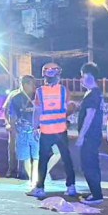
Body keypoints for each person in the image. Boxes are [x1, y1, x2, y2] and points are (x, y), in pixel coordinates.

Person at [29, 62, 77, 199]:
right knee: (66, 159)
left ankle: (40, 188)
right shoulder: (63, 90)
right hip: (60, 130)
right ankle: (71, 186)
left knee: (43, 160)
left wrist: (34, 127)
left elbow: (37, 111)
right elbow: (69, 108)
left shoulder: (39, 92)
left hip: (46, 130)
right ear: (58, 75)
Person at [77, 62, 104, 204]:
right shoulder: (94, 93)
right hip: (93, 136)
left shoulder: (93, 94)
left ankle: (97, 195)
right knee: (92, 164)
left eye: (82, 76)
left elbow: (90, 115)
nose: (81, 79)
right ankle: (95, 191)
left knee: (88, 164)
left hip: (90, 137)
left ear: (89, 76)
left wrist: (81, 136)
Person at [8, 75, 39, 190]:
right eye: (31, 84)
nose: (34, 86)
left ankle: (36, 179)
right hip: (22, 131)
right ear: (25, 85)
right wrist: (12, 128)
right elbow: (12, 115)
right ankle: (31, 178)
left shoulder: (38, 96)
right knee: (25, 157)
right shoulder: (16, 98)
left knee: (36, 156)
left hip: (36, 131)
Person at [2, 86, 24, 178]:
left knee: (24, 148)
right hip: (14, 125)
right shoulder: (13, 94)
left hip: (26, 124)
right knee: (12, 148)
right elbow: (5, 110)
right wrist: (7, 123)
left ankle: (22, 171)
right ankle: (11, 169)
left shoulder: (32, 94)